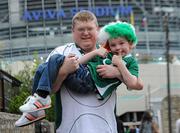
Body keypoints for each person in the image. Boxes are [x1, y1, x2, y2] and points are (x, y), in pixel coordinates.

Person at [15, 10, 143, 132]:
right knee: (43, 68)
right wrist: (64, 71)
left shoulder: (111, 53)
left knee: (48, 65)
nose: (85, 33)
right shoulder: (60, 51)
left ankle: (36, 107)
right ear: (73, 31)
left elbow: (136, 84)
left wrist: (116, 72)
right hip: (69, 128)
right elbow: (52, 89)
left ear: (97, 30)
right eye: (81, 29)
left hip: (105, 127)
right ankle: (36, 105)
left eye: (90, 29)